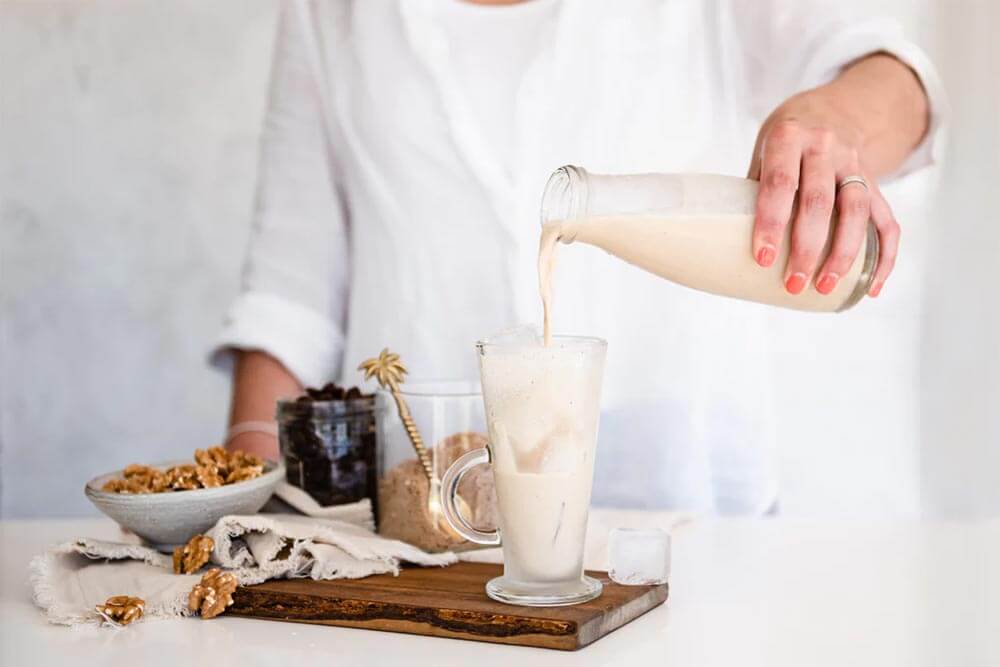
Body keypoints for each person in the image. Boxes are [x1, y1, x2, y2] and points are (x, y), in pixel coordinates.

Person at [213, 0, 944, 515]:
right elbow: (291, 296)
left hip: (690, 519)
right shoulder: (328, 13)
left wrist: (833, 120)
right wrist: (242, 499)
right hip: (424, 528)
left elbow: (900, 83)